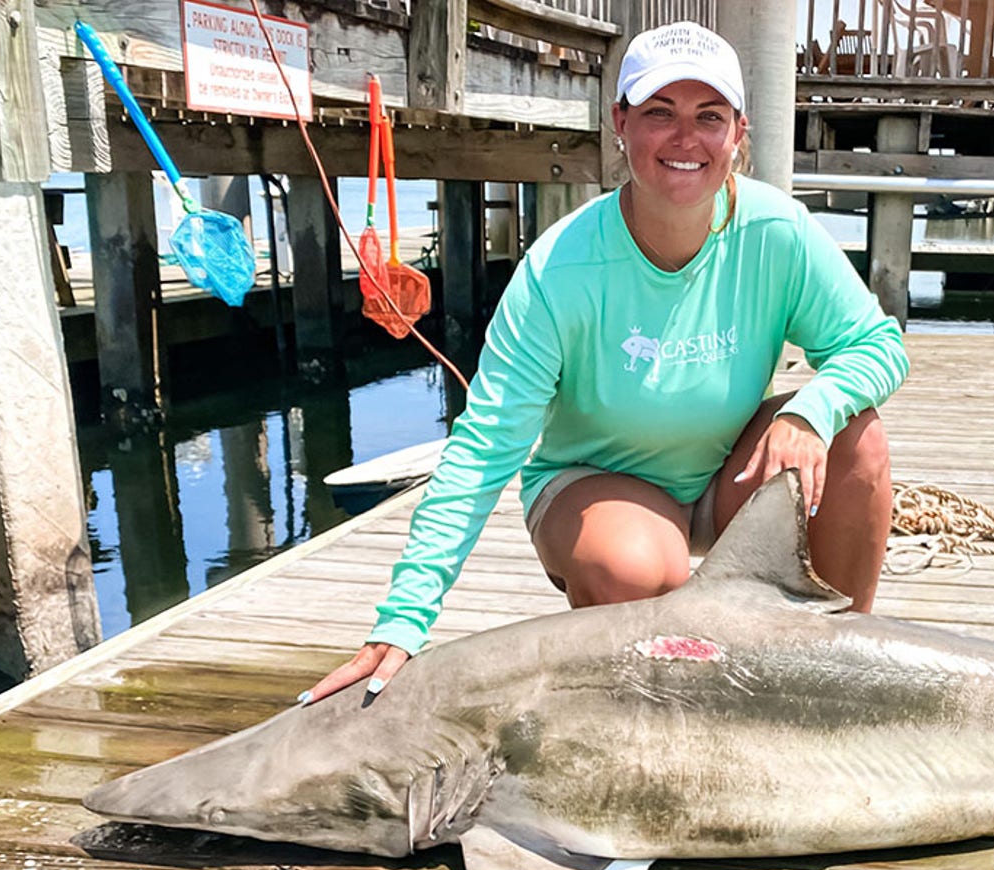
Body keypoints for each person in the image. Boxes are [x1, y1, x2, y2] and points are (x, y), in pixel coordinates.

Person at [301, 21, 908, 706]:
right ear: (619, 122)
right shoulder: (561, 269)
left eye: (709, 117)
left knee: (859, 441)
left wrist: (811, 409)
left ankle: (838, 680)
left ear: (739, 131)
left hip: (723, 475)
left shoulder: (778, 232)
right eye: (659, 113)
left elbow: (878, 346)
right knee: (632, 567)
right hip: (598, 484)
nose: (686, 139)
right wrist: (403, 622)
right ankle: (646, 710)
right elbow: (481, 450)